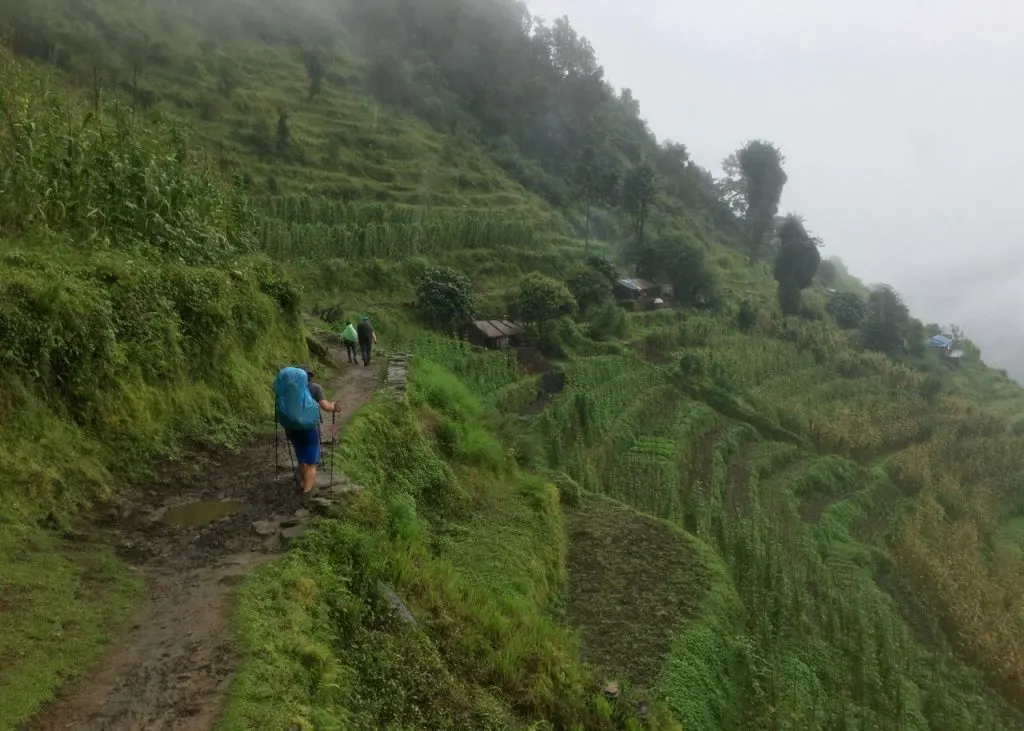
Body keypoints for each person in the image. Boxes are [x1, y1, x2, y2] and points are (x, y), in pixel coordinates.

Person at [289, 365, 340, 494]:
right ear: (308, 376)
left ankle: (303, 483)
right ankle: (307, 491)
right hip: (309, 428)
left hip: (292, 428)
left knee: (301, 457)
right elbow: (326, 407)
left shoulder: (289, 390)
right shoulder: (315, 388)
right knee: (312, 461)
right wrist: (334, 406)